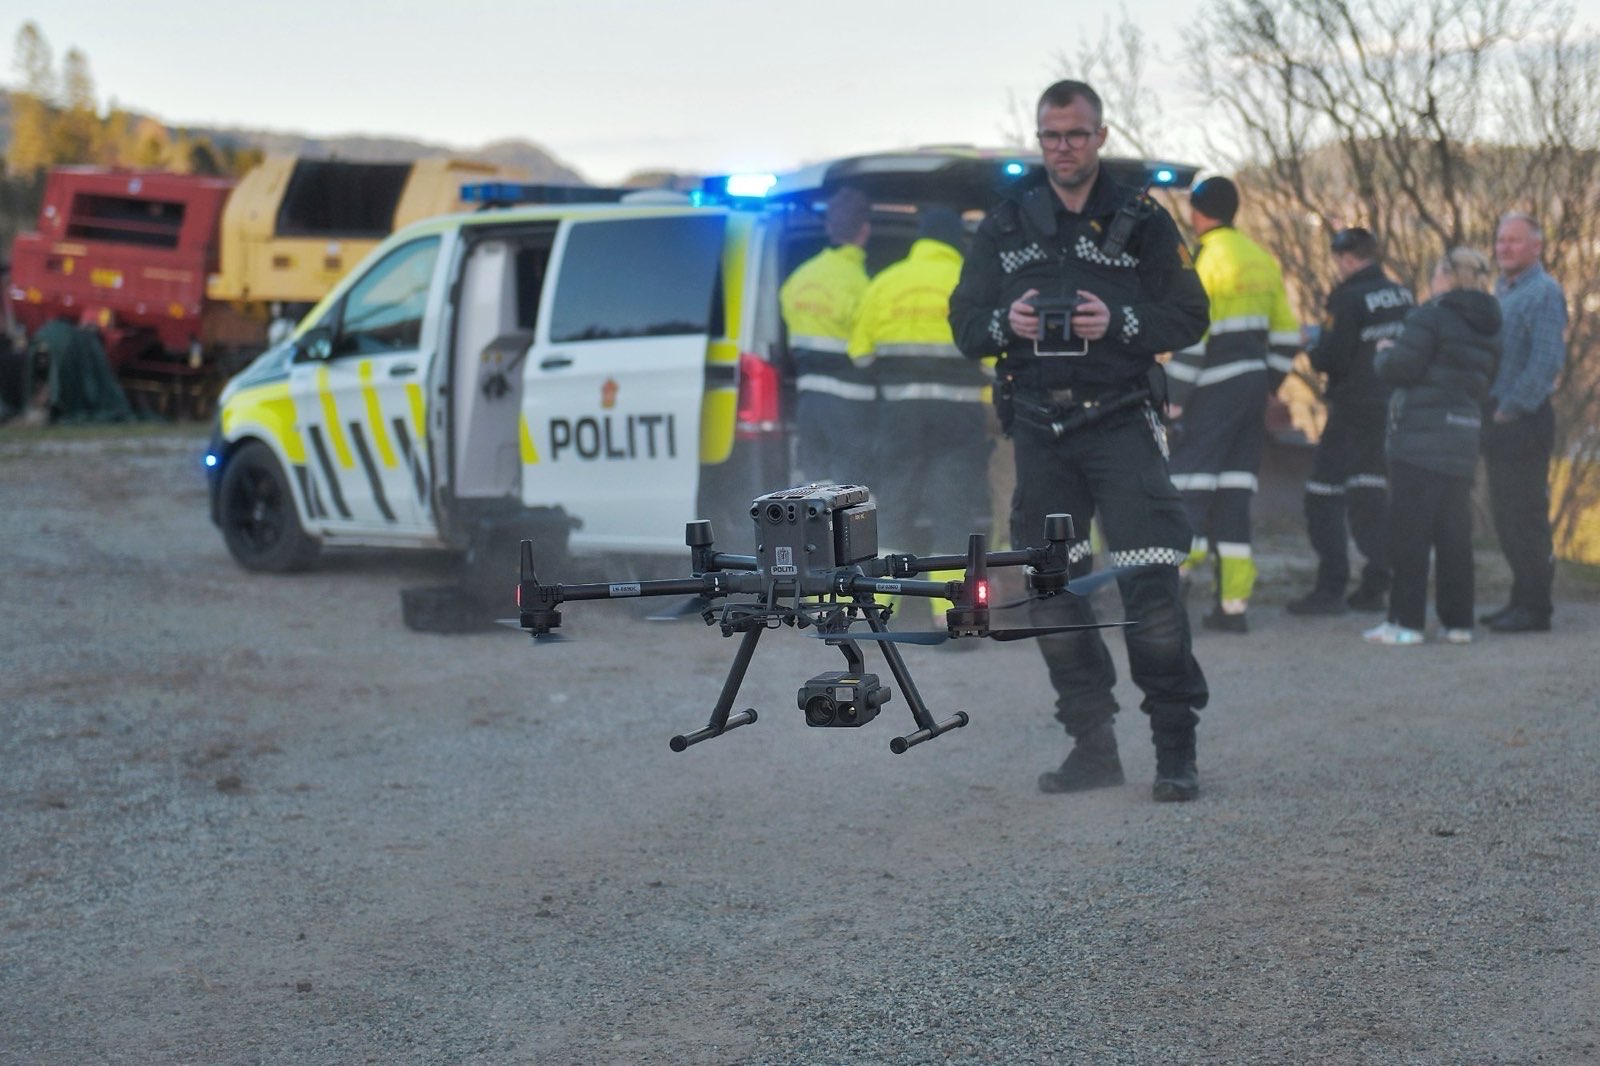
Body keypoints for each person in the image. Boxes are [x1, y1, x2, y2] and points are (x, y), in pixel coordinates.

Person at [948, 79, 1211, 802]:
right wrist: (1012, 326)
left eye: (1076, 133)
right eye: (1050, 135)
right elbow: (966, 324)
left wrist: (1117, 322)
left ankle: (1174, 753)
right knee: (1053, 591)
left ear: (1099, 136)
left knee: (1150, 583)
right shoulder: (1004, 225)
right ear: (1040, 141)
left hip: (1121, 418)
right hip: (1038, 426)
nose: (1063, 147)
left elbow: (1190, 315)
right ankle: (1094, 748)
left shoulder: (1142, 219)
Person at [1164, 176, 1300, 633]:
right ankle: (1233, 609)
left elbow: (1192, 337)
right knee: (1234, 495)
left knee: (1189, 488)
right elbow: (1286, 335)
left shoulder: (1205, 259)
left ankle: (1172, 597)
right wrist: (1268, 383)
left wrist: (1172, 397)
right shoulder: (1260, 258)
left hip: (1212, 392)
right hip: (1251, 391)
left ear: (1198, 213)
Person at [848, 206, 991, 600]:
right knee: (953, 508)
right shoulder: (972, 283)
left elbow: (860, 355)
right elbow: (996, 360)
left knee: (895, 505)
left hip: (901, 414)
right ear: (955, 240)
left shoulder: (886, 282)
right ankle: (955, 615)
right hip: (959, 415)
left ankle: (880, 609)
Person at [1365, 247, 1501, 645]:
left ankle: (1404, 624)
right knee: (1453, 535)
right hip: (1463, 436)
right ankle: (1458, 623)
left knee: (1410, 532)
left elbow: (1402, 368)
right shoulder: (1490, 325)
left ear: (1444, 275)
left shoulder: (1429, 316)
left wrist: (1384, 354)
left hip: (1419, 439)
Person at [1286, 227, 1415, 615]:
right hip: (1392, 406)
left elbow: (1330, 358)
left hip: (1353, 407)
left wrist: (1310, 342)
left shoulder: (1346, 298)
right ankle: (1377, 582)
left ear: (1345, 258)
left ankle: (1330, 588)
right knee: (1368, 494)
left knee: (1322, 495)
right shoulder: (1402, 294)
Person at [1480, 212, 1567, 633]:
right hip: (1499, 421)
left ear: (1536, 246)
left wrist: (1508, 409)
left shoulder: (1544, 292)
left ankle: (1535, 608)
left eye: (1514, 241)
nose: (1504, 248)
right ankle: (1520, 600)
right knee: (1506, 516)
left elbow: (1546, 363)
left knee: (1525, 516)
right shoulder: (1502, 292)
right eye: (1500, 241)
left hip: (1523, 420)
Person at [779, 186, 874, 484]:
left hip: (808, 400)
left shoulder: (799, 278)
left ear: (830, 227)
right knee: (852, 491)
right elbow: (866, 354)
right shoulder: (861, 284)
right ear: (865, 230)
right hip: (850, 403)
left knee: (815, 488)